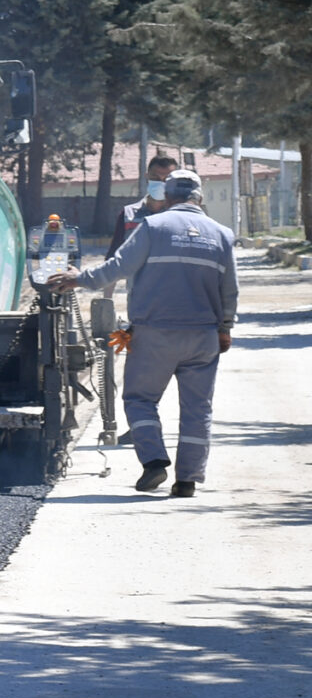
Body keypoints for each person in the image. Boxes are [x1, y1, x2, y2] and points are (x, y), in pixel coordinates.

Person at [52, 167, 238, 496]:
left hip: (155, 334)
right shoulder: (222, 235)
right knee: (198, 409)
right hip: (203, 336)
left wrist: (78, 278)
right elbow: (229, 291)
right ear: (200, 197)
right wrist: (225, 328)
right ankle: (187, 480)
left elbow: (117, 267)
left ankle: (154, 462)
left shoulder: (153, 226)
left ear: (166, 196)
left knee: (139, 399)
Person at [112, 152, 179, 253]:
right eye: (155, 178)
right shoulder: (128, 215)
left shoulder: (178, 216)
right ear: (147, 177)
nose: (161, 183)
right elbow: (113, 255)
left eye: (166, 179)